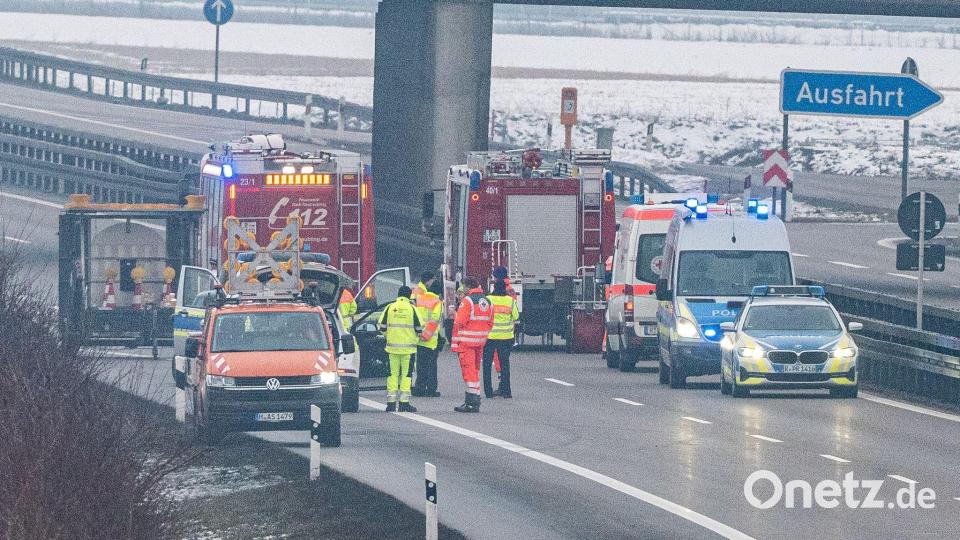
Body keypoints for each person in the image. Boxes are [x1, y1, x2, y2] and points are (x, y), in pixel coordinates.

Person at [377, 285, 423, 413]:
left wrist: (389, 336)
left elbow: (381, 326)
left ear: (398, 294)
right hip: (408, 350)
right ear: (409, 296)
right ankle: (404, 403)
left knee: (392, 375)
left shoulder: (390, 307)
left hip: (391, 349)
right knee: (406, 376)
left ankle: (391, 403)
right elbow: (420, 328)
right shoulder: (412, 309)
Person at [451, 277, 493, 413]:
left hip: (467, 342)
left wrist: (454, 314)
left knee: (469, 373)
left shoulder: (467, 301)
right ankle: (473, 400)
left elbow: (460, 322)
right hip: (480, 342)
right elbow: (490, 322)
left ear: (468, 287)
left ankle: (472, 402)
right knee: (475, 371)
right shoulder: (487, 301)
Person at [483, 279, 519, 398]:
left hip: (490, 337)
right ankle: (506, 391)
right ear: (505, 288)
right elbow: (516, 316)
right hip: (506, 337)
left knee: (487, 364)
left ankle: (488, 392)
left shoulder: (488, 299)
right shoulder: (510, 300)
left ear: (493, 287)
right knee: (505, 365)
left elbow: (484, 315)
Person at [412, 278, 444, 397]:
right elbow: (435, 320)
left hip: (419, 338)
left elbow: (415, 316)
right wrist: (427, 335)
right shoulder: (437, 302)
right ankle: (431, 389)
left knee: (420, 365)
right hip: (431, 340)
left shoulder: (420, 299)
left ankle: (419, 387)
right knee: (431, 366)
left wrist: (420, 334)